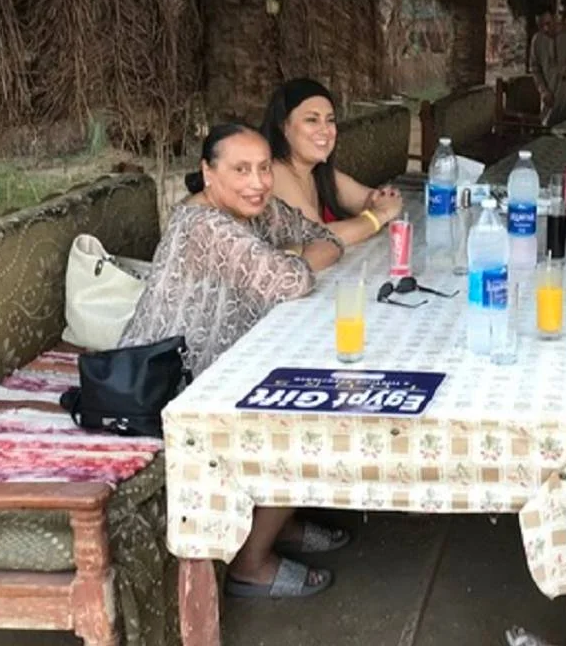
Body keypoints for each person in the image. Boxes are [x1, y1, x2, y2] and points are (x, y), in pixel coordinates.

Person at [119, 123, 349, 598]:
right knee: (300, 411)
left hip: (220, 361)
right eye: (240, 170)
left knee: (308, 377)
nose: (257, 182)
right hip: (167, 380)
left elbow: (321, 236)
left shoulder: (254, 211)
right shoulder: (203, 224)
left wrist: (293, 256)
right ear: (208, 172)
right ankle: (250, 563)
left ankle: (276, 521)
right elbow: (291, 280)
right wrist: (294, 261)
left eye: (264, 168)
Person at [262, 78, 403, 251]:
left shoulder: (318, 171)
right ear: (283, 126)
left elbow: (370, 200)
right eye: (312, 120)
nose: (325, 130)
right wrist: (380, 215)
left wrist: (383, 202)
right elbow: (318, 239)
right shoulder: (275, 173)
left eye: (330, 120)